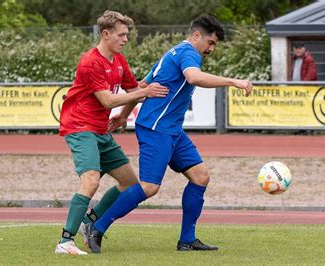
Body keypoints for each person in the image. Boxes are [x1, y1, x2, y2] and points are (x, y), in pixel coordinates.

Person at [85, 15, 253, 253]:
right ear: (196, 36)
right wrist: (233, 81)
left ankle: (187, 239)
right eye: (210, 42)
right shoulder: (189, 54)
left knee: (200, 176)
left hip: (171, 129)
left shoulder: (172, 53)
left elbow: (141, 86)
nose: (211, 49)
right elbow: (193, 77)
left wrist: (124, 115)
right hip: (157, 128)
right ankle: (97, 226)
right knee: (149, 187)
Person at [54, 10, 168, 255]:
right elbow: (107, 101)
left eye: (127, 34)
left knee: (130, 183)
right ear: (106, 34)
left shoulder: (118, 60)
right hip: (79, 127)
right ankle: (65, 242)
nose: (126, 39)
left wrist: (126, 114)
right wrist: (143, 93)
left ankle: (90, 221)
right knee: (91, 180)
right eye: (122, 34)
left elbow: (135, 88)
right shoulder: (90, 61)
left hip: (101, 129)